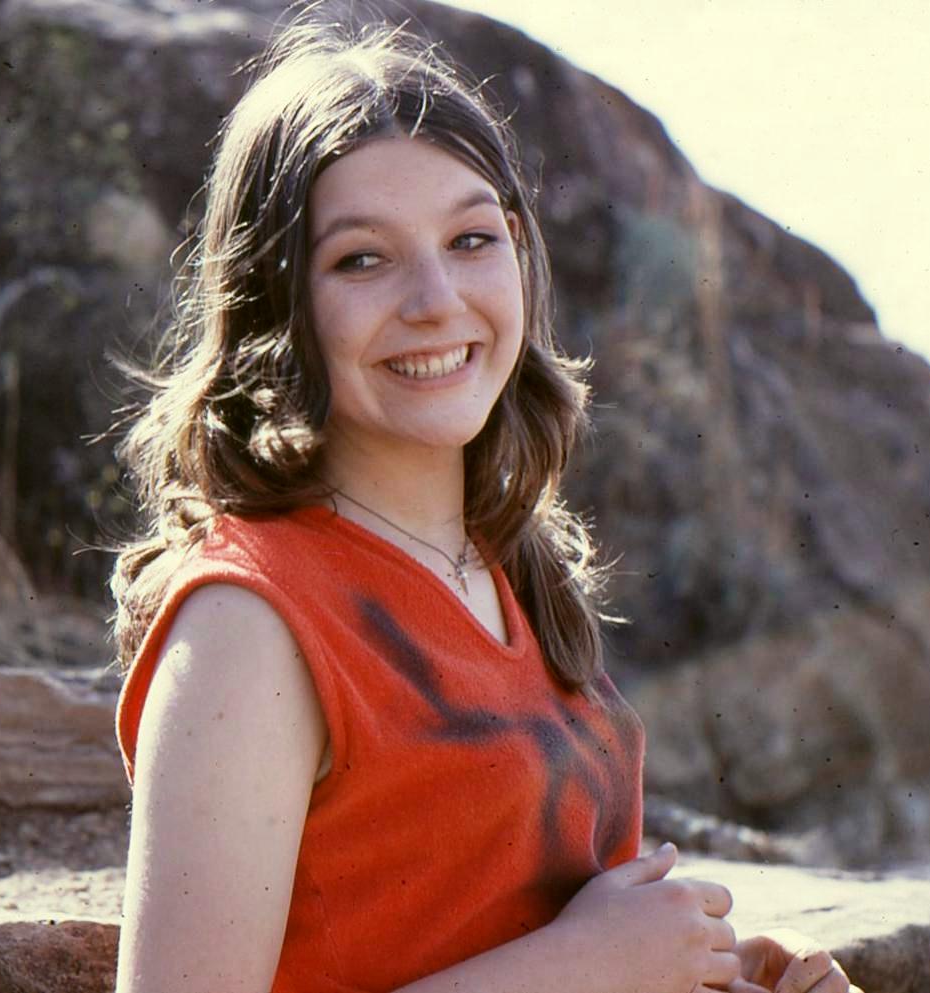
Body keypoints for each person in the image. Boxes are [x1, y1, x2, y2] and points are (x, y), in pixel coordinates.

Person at [108, 17, 859, 993]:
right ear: (274, 302)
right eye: (361, 259)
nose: (435, 299)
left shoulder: (507, 573)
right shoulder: (247, 622)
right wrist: (589, 964)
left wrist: (709, 970)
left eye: (470, 240)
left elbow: (485, 922)